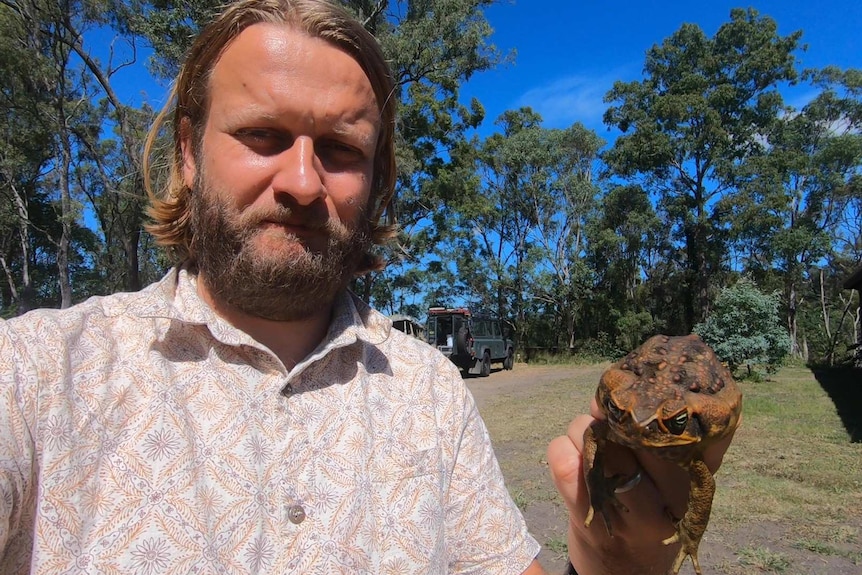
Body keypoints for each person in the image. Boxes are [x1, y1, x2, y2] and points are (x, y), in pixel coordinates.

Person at [0, 0, 734, 573]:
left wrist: (615, 563)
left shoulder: (431, 394)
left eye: (342, 150)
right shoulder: (34, 377)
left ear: (378, 181)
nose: (300, 180)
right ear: (189, 152)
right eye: (262, 135)